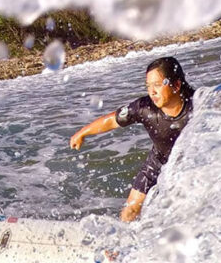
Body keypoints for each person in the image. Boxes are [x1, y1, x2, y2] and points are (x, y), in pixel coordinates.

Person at [69, 56, 195, 222]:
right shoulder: (144, 108)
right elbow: (112, 120)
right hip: (157, 163)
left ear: (176, 85)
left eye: (157, 85)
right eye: (148, 86)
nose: (152, 92)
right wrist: (82, 132)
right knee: (131, 209)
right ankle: (121, 244)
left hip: (193, 166)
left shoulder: (198, 105)